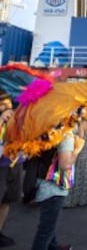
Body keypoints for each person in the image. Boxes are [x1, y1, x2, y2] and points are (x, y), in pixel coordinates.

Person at [32, 131, 85, 250]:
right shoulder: (65, 133)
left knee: (49, 224)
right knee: (45, 231)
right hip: (54, 187)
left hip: (43, 182)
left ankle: (53, 246)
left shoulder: (48, 129)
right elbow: (65, 164)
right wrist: (77, 150)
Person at [64, 106, 87, 207]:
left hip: (84, 150)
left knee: (80, 174)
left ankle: (78, 199)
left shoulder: (83, 125)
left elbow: (80, 140)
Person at [0, 95, 22, 247]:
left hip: (16, 162)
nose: (7, 107)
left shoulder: (17, 118)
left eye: (8, 104)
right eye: (2, 104)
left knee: (8, 200)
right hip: (0, 165)